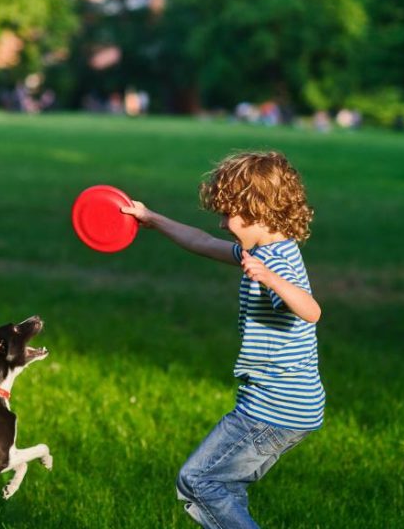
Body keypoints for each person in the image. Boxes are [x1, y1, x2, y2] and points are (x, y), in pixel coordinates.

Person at [120, 151, 324, 529]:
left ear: (257, 211)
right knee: (224, 489)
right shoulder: (266, 249)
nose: (222, 222)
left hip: (272, 409)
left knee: (198, 480)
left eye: (228, 212)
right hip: (291, 406)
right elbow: (200, 241)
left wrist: (271, 279)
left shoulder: (274, 265)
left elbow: (311, 310)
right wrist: (151, 218)